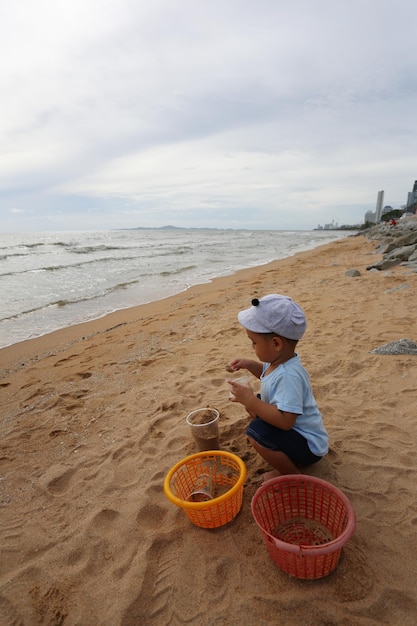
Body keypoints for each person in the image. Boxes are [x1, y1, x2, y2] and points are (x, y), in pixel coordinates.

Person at [228, 294, 328, 481]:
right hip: (295, 435)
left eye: (254, 342)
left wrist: (249, 399)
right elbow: (267, 375)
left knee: (256, 433)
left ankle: (292, 475)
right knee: (255, 404)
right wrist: (249, 364)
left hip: (308, 447)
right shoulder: (277, 362)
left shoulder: (288, 375)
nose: (252, 347)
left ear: (276, 343)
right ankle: (285, 457)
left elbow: (285, 422)